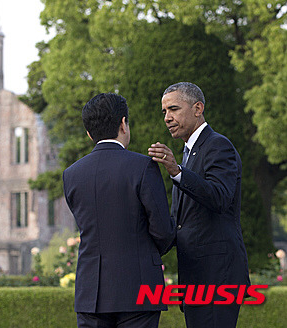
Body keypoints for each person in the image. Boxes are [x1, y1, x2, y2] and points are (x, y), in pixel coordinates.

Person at [63, 93, 175, 328]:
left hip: (90, 292)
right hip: (139, 289)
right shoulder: (144, 167)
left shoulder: (71, 174)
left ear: (89, 133)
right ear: (123, 124)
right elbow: (163, 231)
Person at [148, 82, 250, 328]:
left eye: (173, 109)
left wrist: (177, 172)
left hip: (217, 278)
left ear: (197, 108)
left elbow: (219, 197)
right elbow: (182, 222)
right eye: (164, 112)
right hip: (197, 276)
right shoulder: (188, 152)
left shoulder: (218, 145)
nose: (167, 117)